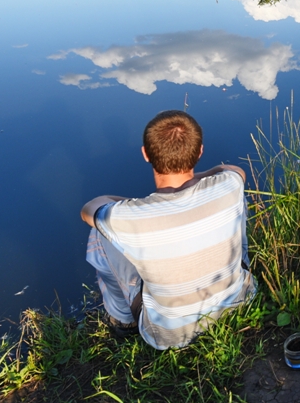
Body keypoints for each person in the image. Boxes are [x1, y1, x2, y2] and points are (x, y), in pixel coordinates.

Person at [81, 110, 255, 348]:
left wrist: (140, 204)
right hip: (239, 303)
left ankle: (123, 320)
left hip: (169, 336)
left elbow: (89, 209)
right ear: (200, 151)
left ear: (145, 154)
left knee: (100, 235)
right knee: (238, 201)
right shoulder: (228, 184)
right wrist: (197, 180)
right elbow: (234, 170)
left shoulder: (126, 217)